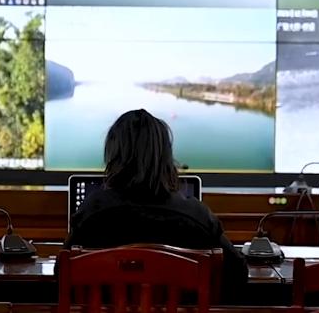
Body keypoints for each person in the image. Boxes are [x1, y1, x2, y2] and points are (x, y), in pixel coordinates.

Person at [65, 109, 248, 303]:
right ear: (165, 158)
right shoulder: (197, 217)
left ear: (113, 156)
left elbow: (62, 273)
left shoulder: (92, 213)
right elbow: (237, 274)